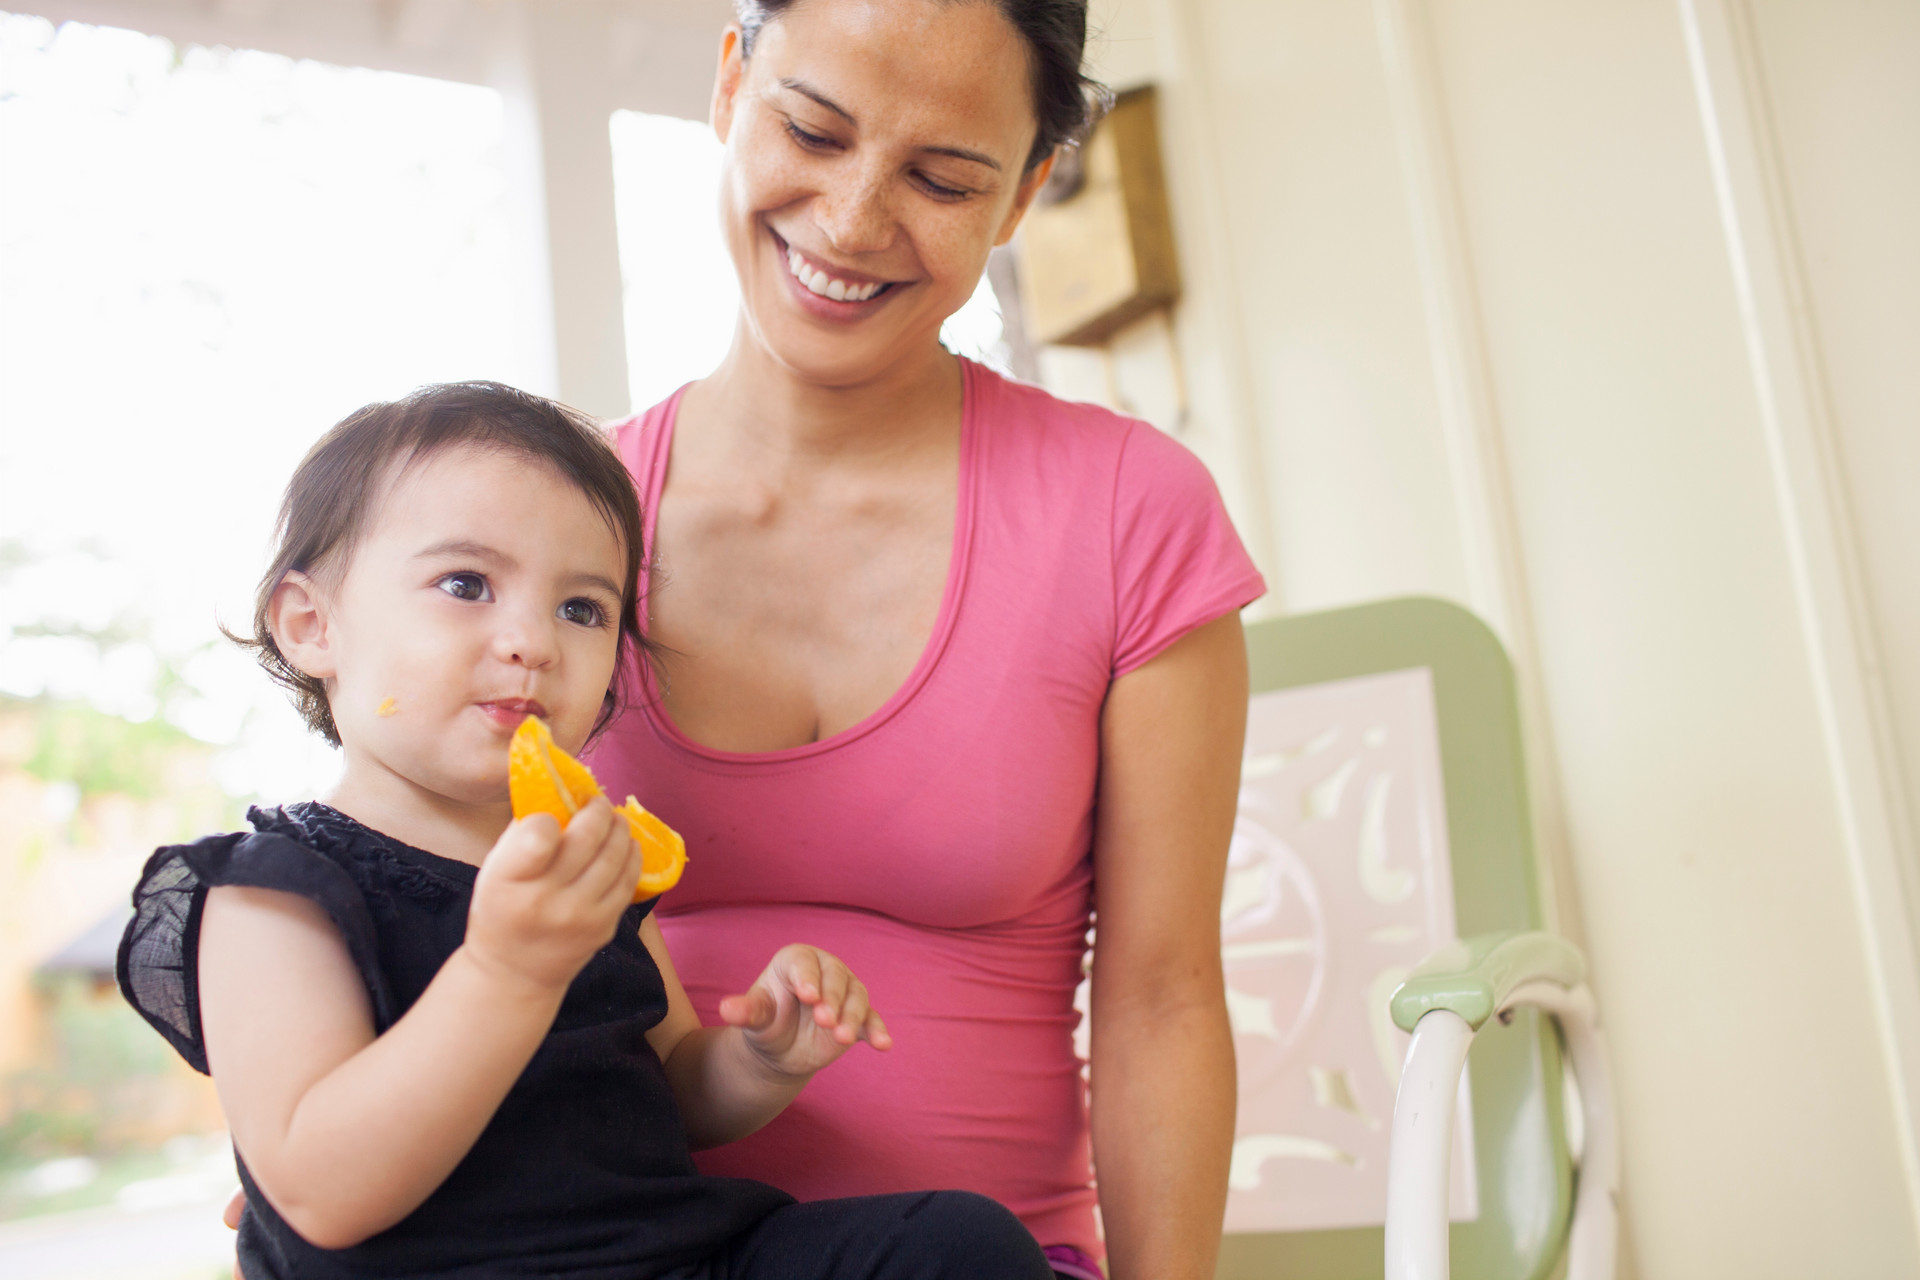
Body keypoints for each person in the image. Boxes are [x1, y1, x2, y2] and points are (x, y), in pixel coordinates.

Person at [584, 3, 1267, 1279]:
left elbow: (1163, 995)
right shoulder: (558, 520)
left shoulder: (1128, 510)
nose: (849, 223)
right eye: (812, 129)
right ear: (732, 83)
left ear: (1022, 195)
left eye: (943, 178)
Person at [118, 382, 1056, 1279]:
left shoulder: (587, 854)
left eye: (581, 607)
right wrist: (508, 972)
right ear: (311, 625)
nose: (532, 639)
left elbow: (676, 1095)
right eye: (465, 583)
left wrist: (761, 1060)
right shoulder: (274, 891)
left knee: (960, 1244)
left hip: (666, 1255)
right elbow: (322, 1194)